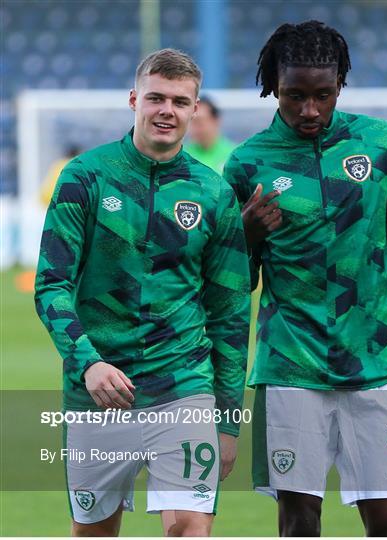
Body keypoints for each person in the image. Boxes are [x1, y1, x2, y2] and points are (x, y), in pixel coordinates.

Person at [223, 21, 387, 537]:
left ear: (340, 84)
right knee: (299, 520)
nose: (309, 109)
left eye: (323, 95)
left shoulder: (382, 145)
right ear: (273, 88)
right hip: (290, 366)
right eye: (294, 96)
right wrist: (243, 236)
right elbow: (228, 288)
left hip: (375, 363)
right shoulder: (246, 164)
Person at [34, 48, 250, 537]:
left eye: (179, 100)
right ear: (135, 99)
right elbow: (51, 284)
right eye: (155, 97)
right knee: (94, 533)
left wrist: (230, 419)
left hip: (184, 387)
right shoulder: (85, 177)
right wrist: (87, 362)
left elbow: (231, 315)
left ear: (195, 110)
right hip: (98, 392)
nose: (166, 110)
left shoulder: (213, 195)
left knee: (190, 526)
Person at [186, 96, 235, 173]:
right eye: (191, 122)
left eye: (199, 122)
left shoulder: (234, 155)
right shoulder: (181, 156)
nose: (194, 128)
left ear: (216, 121)